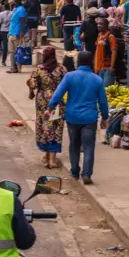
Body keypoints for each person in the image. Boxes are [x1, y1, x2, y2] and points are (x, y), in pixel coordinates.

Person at [47, 50, 109, 186]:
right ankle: (86, 173)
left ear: (78, 63)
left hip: (72, 117)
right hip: (89, 118)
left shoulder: (69, 76)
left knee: (74, 144)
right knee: (88, 146)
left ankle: (75, 170)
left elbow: (58, 94)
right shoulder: (97, 79)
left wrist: (50, 108)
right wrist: (105, 117)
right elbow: (103, 102)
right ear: (91, 63)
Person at [27, 46, 65, 169]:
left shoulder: (39, 69)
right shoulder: (61, 69)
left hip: (42, 101)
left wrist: (30, 87)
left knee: (45, 126)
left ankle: (46, 156)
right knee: (55, 127)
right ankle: (52, 159)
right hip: (58, 101)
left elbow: (32, 84)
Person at [94, 18, 117, 87]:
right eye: (97, 24)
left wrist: (111, 67)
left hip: (107, 68)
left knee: (106, 90)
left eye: (101, 24)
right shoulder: (99, 36)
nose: (98, 25)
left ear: (106, 25)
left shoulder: (110, 37)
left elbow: (114, 52)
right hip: (98, 68)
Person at [7, 0, 27, 74]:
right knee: (12, 51)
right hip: (12, 32)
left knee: (18, 51)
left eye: (13, 3)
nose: (12, 4)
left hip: (17, 33)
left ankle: (18, 67)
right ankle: (13, 67)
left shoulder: (21, 9)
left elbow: (22, 20)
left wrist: (21, 32)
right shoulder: (15, 9)